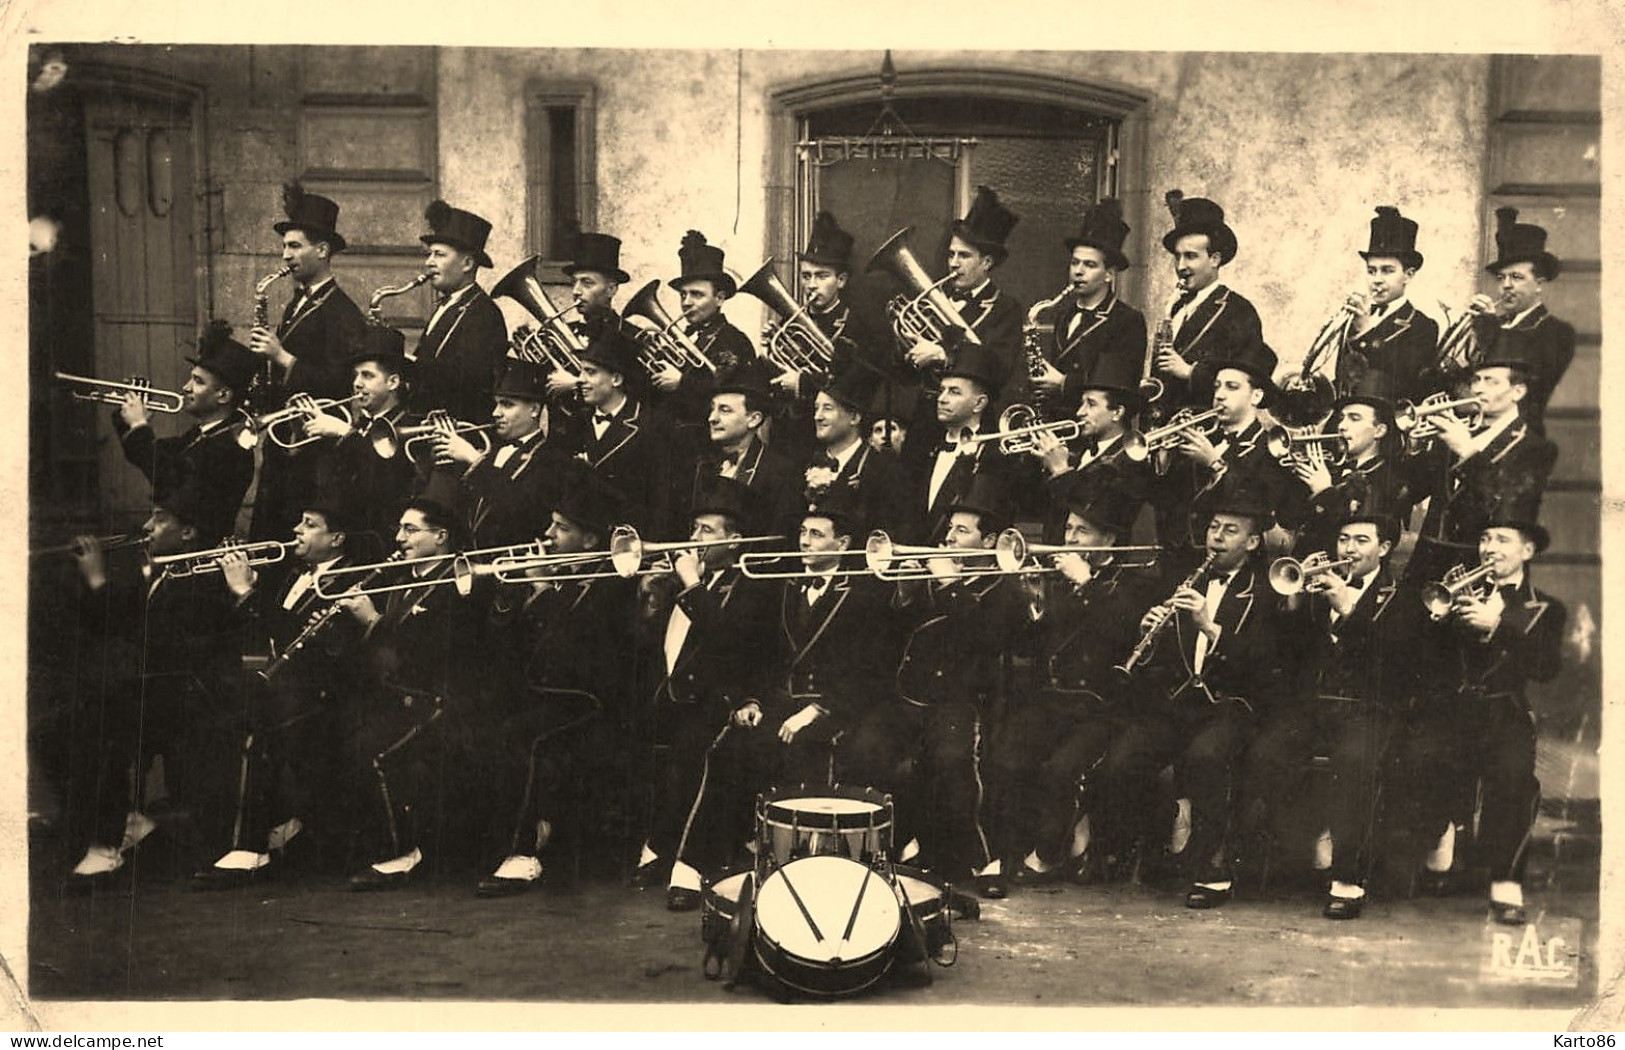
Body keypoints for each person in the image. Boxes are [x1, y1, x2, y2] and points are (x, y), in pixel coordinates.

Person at [669, 492, 895, 899]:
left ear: (842, 545)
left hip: (839, 710)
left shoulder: (865, 594)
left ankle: (799, 873)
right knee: (728, 749)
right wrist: (749, 700)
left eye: (816, 535)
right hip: (779, 703)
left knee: (806, 754)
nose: (805, 542)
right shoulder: (781, 586)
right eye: (803, 533)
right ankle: (692, 867)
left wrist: (816, 711)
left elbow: (870, 671)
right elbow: (756, 653)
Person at [1094, 487, 1288, 907]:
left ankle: (1211, 869)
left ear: (1253, 543)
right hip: (1181, 702)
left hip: (1233, 704)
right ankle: (1165, 829)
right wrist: (1151, 633)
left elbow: (1262, 664)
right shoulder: (1188, 579)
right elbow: (1174, 657)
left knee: (1205, 757)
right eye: (1214, 528)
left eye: (1230, 531)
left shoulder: (1268, 591)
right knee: (1121, 763)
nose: (1216, 538)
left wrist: (1209, 626)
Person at [1241, 500, 1425, 919]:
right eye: (1344, 539)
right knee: (1264, 754)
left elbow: (1396, 664)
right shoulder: (1319, 587)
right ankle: (1277, 855)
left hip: (1370, 707)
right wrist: (1292, 606)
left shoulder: (1404, 597)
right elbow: (1288, 656)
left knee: (1354, 761)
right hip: (1314, 706)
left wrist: (1349, 609)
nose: (1350, 549)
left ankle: (1348, 878)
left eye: (1362, 540)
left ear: (1385, 548)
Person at [843, 473, 1021, 898]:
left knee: (952, 760)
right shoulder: (935, 573)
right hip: (909, 698)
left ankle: (984, 860)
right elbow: (896, 633)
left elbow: (987, 638)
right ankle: (885, 849)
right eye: (949, 529)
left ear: (988, 539)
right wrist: (904, 593)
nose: (948, 538)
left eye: (962, 531)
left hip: (960, 701)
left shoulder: (1004, 586)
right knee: (864, 748)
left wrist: (951, 586)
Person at [62, 481, 244, 891]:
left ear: (189, 533)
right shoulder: (159, 572)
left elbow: (194, 645)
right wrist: (94, 576)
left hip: (191, 697)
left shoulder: (204, 577)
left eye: (160, 520)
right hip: (157, 691)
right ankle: (125, 824)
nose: (147, 526)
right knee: (55, 730)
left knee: (97, 726)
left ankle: (108, 845)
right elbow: (108, 620)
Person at [1390, 510, 1565, 925]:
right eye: (1485, 539)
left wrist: (1499, 625)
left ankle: (1505, 881)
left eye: (1502, 539)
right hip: (1450, 708)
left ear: (1528, 550)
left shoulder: (1547, 608)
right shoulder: (1456, 588)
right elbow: (1420, 657)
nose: (1489, 548)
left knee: (1514, 776)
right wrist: (1435, 623)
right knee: (1418, 758)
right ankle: (1441, 841)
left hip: (1503, 710)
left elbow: (1545, 668)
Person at [986, 476, 1159, 887]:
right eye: (1067, 529)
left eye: (1082, 530)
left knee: (1061, 770)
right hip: (1053, 699)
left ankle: (1049, 853)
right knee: (1006, 757)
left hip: (1103, 706)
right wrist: (1033, 603)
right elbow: (1031, 645)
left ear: (1109, 539)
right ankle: (1007, 853)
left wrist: (1087, 583)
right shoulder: (1058, 578)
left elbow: (1121, 632)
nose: (1069, 537)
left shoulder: (1134, 582)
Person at [189, 500, 363, 889]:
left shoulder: (353, 579)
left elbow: (302, 641)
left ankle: (249, 846)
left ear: (336, 539)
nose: (297, 529)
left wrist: (247, 592)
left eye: (310, 524)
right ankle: (248, 836)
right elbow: (261, 637)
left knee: (250, 725)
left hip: (322, 694)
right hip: (285, 685)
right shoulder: (292, 573)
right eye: (299, 521)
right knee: (212, 716)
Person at [476, 476, 635, 897]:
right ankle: (520, 834)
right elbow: (507, 644)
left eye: (561, 528)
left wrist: (543, 591)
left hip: (593, 704)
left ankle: (524, 853)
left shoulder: (612, 584)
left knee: (522, 735)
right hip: (552, 697)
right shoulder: (565, 574)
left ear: (589, 540)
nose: (547, 536)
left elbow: (583, 659)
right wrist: (511, 595)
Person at [628, 478, 776, 910]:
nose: (692, 540)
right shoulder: (678, 581)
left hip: (720, 701)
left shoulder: (751, 584)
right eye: (693, 529)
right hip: (669, 698)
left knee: (697, 752)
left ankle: (688, 867)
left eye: (706, 531)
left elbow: (729, 642)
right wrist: (651, 602)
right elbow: (646, 645)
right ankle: (657, 847)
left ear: (735, 540)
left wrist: (691, 584)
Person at [336, 497, 482, 890]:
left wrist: (373, 621)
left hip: (442, 703)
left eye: (410, 530)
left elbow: (432, 654)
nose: (399, 538)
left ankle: (404, 852)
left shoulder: (460, 580)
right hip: (403, 697)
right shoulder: (405, 579)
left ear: (441, 536)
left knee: (373, 750)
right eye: (400, 529)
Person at [247, 182, 368, 540]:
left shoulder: (343, 312)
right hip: (286, 441)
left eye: (295, 246)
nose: (285, 255)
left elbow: (344, 383)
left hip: (313, 453)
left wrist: (281, 357)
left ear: (322, 250)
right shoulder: (297, 302)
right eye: (284, 246)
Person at [1401, 339, 1558, 587]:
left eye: (1491, 381)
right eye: (1476, 380)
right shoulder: (1457, 430)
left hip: (1479, 570)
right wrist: (1414, 444)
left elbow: (1504, 506)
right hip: (1427, 565)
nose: (1478, 389)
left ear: (1518, 391)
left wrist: (1466, 451)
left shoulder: (1535, 448)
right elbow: (1413, 490)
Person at [1430, 207, 1574, 435]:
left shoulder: (1556, 331)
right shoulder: (1496, 324)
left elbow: (1525, 386)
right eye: (1501, 278)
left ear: (1539, 283)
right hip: (1471, 431)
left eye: (1516, 277)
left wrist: (1489, 330)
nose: (1506, 285)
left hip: (1518, 438)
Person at [112, 320, 257, 543]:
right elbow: (147, 454)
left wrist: (140, 425)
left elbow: (165, 479)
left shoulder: (230, 448)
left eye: (198, 382)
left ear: (223, 395)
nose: (186, 387)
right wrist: (126, 417)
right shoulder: (202, 434)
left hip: (197, 554)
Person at [898, 186, 1024, 423]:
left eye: (964, 256)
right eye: (950, 255)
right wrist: (905, 345)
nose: (953, 264)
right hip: (925, 417)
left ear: (986, 262)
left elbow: (997, 370)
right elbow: (905, 375)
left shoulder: (1005, 308)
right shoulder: (933, 298)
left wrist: (942, 354)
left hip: (972, 419)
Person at [426, 359, 572, 550]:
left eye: (507, 405)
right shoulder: (492, 450)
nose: (496, 413)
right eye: (496, 404)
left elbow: (519, 507)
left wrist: (474, 459)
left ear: (534, 410)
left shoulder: (553, 458)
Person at [1029, 198, 1148, 422]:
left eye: (1090, 265)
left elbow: (1121, 386)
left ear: (1109, 274)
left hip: (1094, 428)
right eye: (1075, 263)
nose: (1078, 271)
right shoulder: (1064, 315)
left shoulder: (1127, 320)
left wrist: (1064, 384)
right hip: (1056, 424)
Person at [1152, 191, 1264, 413]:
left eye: (1191, 256)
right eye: (1177, 256)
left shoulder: (1239, 311)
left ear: (1215, 259)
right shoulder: (1175, 307)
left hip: (1208, 432)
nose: (1181, 266)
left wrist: (1190, 373)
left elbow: (1249, 380)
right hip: (1164, 429)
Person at [310, 325, 421, 546]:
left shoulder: (411, 427)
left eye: (367, 375)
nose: (357, 384)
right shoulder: (361, 424)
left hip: (383, 541)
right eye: (355, 375)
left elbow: (382, 488)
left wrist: (345, 433)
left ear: (393, 383)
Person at [1286, 368, 1414, 560]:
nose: (1342, 426)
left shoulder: (1390, 480)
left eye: (1354, 418)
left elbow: (1361, 541)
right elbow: (1288, 520)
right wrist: (1297, 476)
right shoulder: (1331, 469)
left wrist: (1324, 492)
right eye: (1342, 418)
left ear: (1379, 431)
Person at [902, 343, 1012, 543]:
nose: (942, 399)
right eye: (942, 390)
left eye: (954, 392)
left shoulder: (994, 456)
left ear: (979, 403)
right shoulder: (926, 449)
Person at [647, 230, 757, 429]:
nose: (686, 303)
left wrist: (681, 383)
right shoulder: (683, 338)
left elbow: (727, 392)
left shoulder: (734, 339)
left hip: (708, 442)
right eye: (683, 295)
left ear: (719, 298)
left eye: (697, 295)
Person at [412, 200, 508, 425]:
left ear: (466, 263)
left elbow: (473, 383)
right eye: (429, 255)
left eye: (439, 255)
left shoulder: (485, 315)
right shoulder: (448, 305)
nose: (429, 262)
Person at [574, 327, 675, 536]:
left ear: (616, 380)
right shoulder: (577, 422)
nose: (580, 379)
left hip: (630, 539)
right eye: (581, 371)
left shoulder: (652, 425)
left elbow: (660, 501)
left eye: (591, 372)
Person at [687, 369, 802, 537]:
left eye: (724, 410)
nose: (712, 418)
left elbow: (779, 539)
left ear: (754, 419)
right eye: (712, 409)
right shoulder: (703, 465)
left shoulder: (780, 472)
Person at [801, 368, 906, 538]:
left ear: (855, 417)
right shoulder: (804, 465)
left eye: (827, 408)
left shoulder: (884, 471)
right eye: (816, 408)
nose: (818, 417)